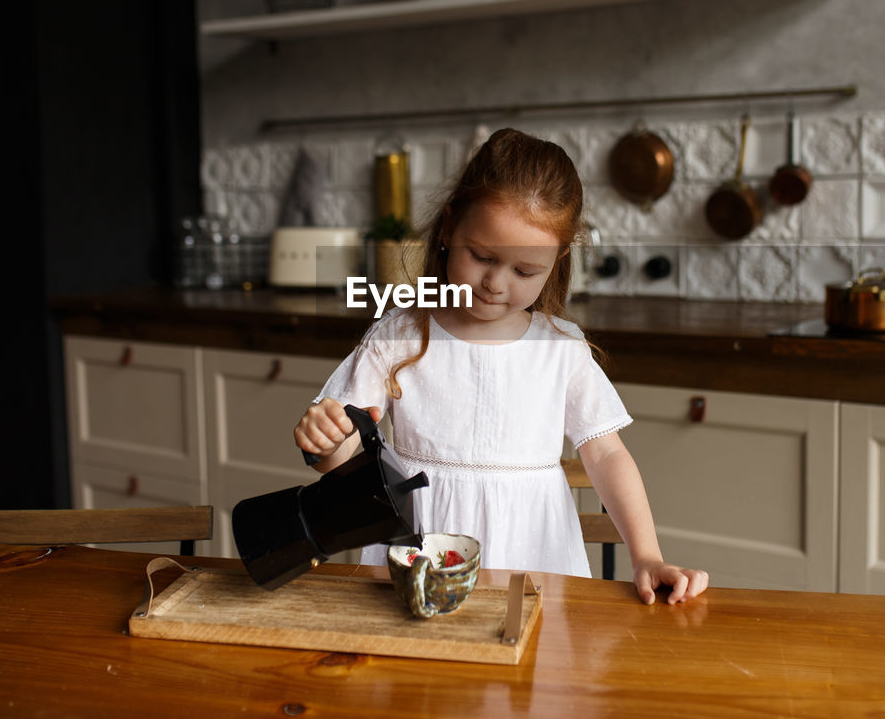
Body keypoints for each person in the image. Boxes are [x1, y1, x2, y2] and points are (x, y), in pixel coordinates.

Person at [294, 127, 708, 605]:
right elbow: (340, 456)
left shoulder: (560, 348)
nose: (494, 283)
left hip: (536, 561)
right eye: (482, 256)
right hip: (419, 557)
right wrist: (324, 440)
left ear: (558, 259)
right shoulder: (399, 336)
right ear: (449, 227)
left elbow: (607, 455)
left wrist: (647, 555)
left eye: (524, 271)